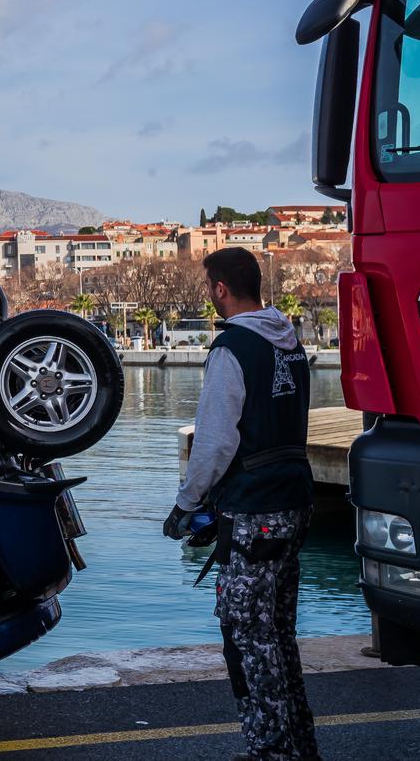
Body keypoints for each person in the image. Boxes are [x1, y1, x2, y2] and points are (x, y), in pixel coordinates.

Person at [163, 246, 319, 761]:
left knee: (248, 635)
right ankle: (298, 745)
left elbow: (214, 441)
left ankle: (271, 752)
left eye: (210, 285)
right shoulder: (288, 340)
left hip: (253, 509)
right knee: (278, 630)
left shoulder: (232, 348)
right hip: (295, 497)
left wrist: (185, 504)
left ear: (221, 289)